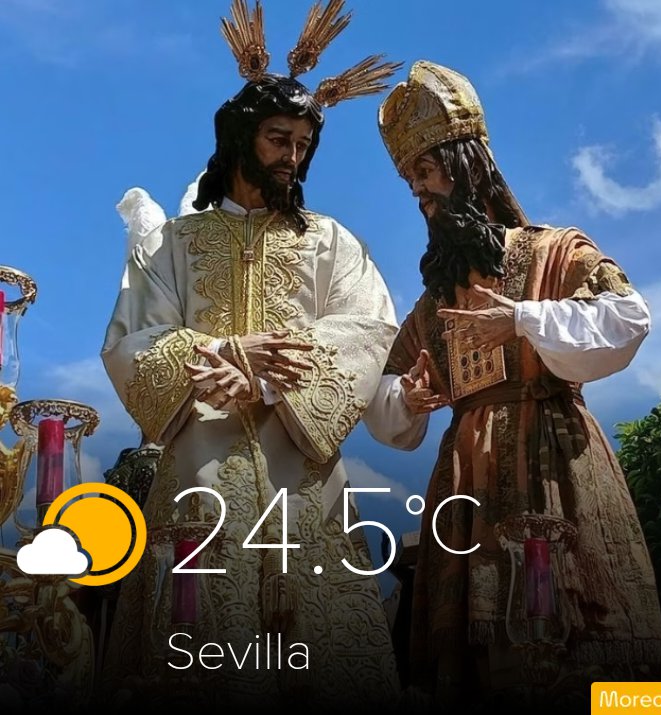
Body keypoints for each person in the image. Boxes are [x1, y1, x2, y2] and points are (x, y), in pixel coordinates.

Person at [100, 1, 403, 710]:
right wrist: (225, 351)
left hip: (306, 477)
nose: (292, 156)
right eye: (277, 139)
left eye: (303, 144)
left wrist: (266, 382)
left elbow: (366, 332)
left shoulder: (331, 241)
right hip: (199, 467)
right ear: (240, 137)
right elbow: (130, 341)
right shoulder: (172, 243)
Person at [363, 60, 661, 708]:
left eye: (426, 170)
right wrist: (406, 398)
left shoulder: (555, 251)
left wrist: (525, 320)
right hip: (465, 486)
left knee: (580, 648)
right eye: (409, 179)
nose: (418, 191)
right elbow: (383, 389)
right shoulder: (432, 304)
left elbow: (628, 319)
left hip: (555, 461)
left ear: (468, 163)